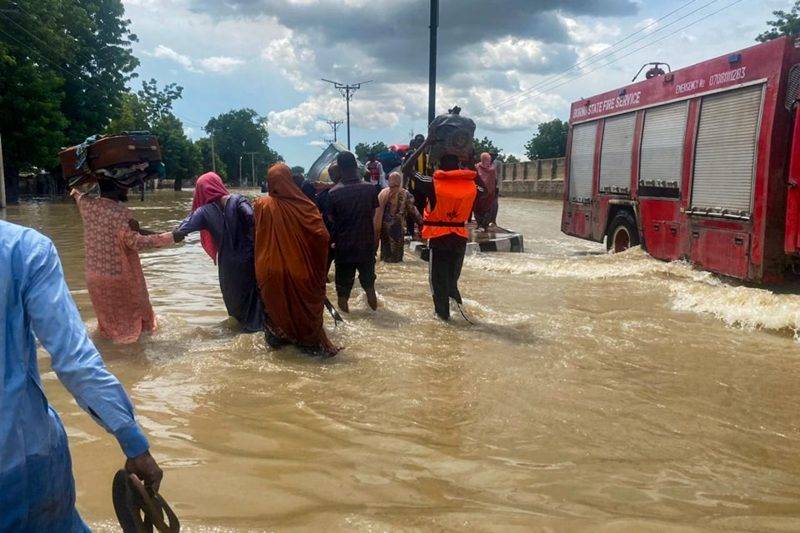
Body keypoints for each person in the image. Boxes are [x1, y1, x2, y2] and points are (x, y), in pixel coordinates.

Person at [0, 220, 163, 531]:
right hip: (22, 465)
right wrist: (133, 442)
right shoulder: (24, 249)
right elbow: (76, 361)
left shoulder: (90, 213)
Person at [72, 180, 178, 344]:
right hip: (120, 280)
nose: (127, 190)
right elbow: (136, 242)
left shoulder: (87, 205)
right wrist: (170, 237)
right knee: (136, 332)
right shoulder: (121, 213)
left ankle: (109, 354)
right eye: (126, 186)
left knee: (109, 328)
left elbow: (75, 192)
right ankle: (133, 357)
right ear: (118, 187)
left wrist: (84, 184)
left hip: (95, 278)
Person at [253, 164, 339, 356]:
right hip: (301, 271)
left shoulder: (261, 204)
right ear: (290, 180)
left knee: (275, 312)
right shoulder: (306, 206)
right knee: (306, 313)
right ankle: (308, 343)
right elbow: (322, 237)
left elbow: (256, 234)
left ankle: (281, 341)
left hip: (268, 270)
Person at [174, 172, 263, 333]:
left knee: (236, 308)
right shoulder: (238, 200)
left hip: (227, 267)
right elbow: (252, 217)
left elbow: (180, 232)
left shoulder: (203, 212)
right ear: (218, 184)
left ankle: (240, 331)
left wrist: (147, 237)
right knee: (256, 304)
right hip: (250, 261)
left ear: (201, 191)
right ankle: (258, 332)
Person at [417, 153, 478, 321]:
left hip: (439, 239)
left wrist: (424, 146)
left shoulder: (432, 183)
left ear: (439, 166)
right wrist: (470, 163)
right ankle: (461, 314)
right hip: (460, 238)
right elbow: (486, 191)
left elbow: (406, 169)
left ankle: (443, 318)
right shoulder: (472, 185)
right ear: (459, 165)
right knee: (452, 282)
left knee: (438, 283)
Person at [329, 151, 379, 313]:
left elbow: (332, 219)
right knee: (370, 288)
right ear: (356, 166)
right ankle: (375, 315)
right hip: (366, 246)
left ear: (339, 168)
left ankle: (347, 323)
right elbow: (372, 215)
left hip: (344, 250)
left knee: (343, 294)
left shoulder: (333, 193)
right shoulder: (370, 189)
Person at [374, 171, 423, 263]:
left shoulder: (382, 193)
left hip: (383, 231)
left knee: (385, 257)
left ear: (389, 181)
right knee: (396, 259)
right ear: (400, 182)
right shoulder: (405, 193)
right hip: (397, 232)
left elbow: (376, 215)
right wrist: (422, 223)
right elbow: (413, 212)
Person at [402, 134, 431, 237]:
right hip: (412, 186)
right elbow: (405, 170)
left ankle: (421, 229)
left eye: (422, 141)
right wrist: (403, 185)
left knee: (421, 208)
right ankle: (410, 230)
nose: (420, 143)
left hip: (423, 187)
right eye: (419, 141)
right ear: (415, 143)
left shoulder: (427, 155)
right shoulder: (411, 154)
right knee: (411, 208)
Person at [315, 162, 341, 274]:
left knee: (326, 262)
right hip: (344, 234)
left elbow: (317, 216)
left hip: (330, 233)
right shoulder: (352, 190)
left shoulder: (323, 195)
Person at [474, 152, 499, 231]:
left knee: (483, 208)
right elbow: (494, 181)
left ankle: (482, 225)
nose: (488, 161)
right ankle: (481, 225)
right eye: (487, 160)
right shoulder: (490, 169)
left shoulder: (477, 167)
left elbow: (494, 181)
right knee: (482, 208)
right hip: (484, 192)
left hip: (483, 192)